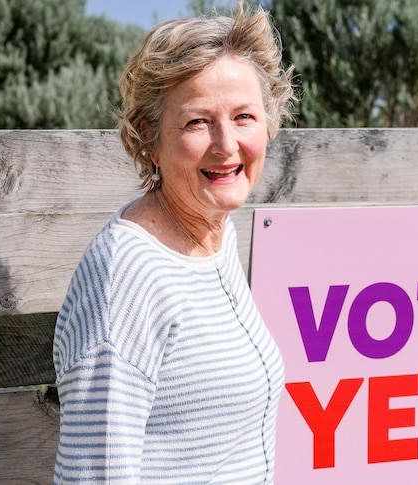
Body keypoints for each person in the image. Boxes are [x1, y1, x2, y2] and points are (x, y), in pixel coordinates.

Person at [52, 5, 295, 483]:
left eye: (244, 116)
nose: (226, 145)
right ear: (149, 136)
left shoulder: (214, 232)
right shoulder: (125, 277)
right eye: (197, 122)